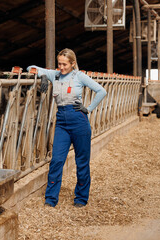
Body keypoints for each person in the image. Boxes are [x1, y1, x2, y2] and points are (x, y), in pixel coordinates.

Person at [27, 48, 107, 208]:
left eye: (64, 64)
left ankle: (81, 198)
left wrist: (89, 108)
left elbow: (101, 91)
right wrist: (42, 76)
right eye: (59, 64)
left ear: (72, 63)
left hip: (79, 120)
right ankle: (50, 199)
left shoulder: (79, 76)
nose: (61, 67)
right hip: (62, 121)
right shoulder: (54, 75)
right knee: (57, 160)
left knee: (81, 161)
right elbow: (30, 68)